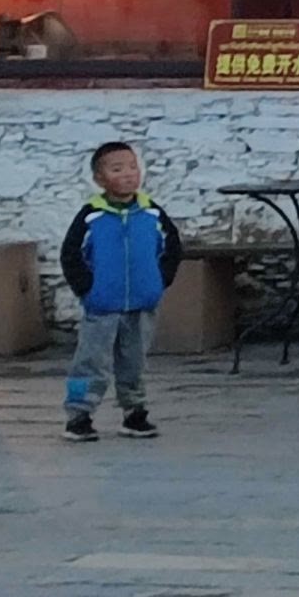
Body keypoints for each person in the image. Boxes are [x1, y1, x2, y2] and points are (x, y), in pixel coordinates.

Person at [56, 140, 182, 443]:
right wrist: (88, 289)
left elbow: (172, 247)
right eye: (117, 169)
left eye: (132, 167)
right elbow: (70, 255)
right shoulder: (91, 216)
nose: (128, 174)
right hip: (102, 306)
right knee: (89, 361)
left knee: (135, 362)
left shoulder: (151, 213)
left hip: (141, 304)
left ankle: (135, 412)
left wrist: (158, 282)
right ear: (100, 179)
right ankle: (78, 415)